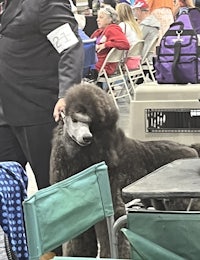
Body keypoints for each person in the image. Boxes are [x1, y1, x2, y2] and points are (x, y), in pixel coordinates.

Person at [0, 0, 84, 194]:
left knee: (52, 188)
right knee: (7, 188)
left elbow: (70, 48)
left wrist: (66, 94)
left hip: (38, 112)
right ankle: (18, 224)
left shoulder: (44, 4)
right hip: (5, 114)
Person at [90, 6, 130, 78]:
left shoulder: (112, 29)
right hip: (96, 64)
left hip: (101, 67)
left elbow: (125, 44)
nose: (97, 20)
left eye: (101, 17)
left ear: (110, 19)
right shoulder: (99, 31)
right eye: (98, 17)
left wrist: (105, 45)